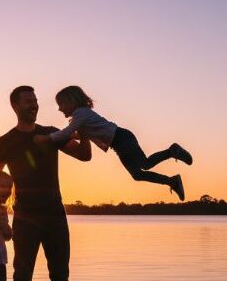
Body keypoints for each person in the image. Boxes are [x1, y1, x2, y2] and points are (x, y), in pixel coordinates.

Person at [0, 86, 92, 281]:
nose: (34, 105)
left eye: (35, 100)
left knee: (60, 275)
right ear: (15, 106)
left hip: (55, 215)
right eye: (28, 101)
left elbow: (84, 155)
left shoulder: (51, 134)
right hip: (25, 217)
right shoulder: (5, 141)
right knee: (21, 276)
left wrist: (84, 129)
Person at [34, 85, 192, 200]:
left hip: (121, 138)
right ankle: (172, 180)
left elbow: (66, 133)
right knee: (138, 173)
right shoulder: (80, 117)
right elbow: (75, 133)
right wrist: (67, 136)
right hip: (119, 143)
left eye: (61, 104)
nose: (59, 109)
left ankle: (172, 152)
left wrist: (46, 138)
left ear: (71, 102)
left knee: (144, 164)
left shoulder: (80, 114)